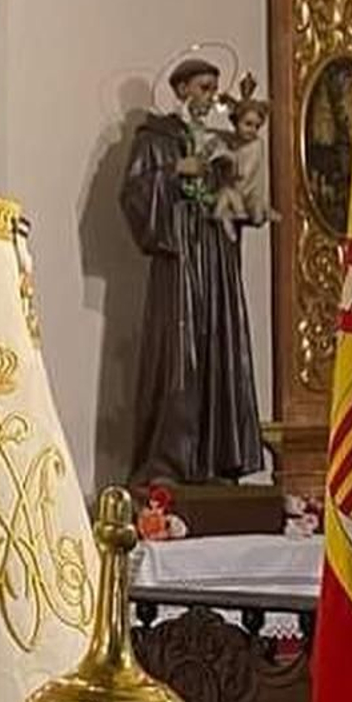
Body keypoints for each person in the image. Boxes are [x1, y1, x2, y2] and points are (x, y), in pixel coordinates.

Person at [120, 59, 265, 486]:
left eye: (214, 90)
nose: (209, 98)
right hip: (180, 255)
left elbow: (236, 196)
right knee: (180, 354)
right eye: (203, 88)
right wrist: (173, 173)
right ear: (182, 89)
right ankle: (169, 462)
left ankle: (215, 460)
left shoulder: (220, 142)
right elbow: (133, 191)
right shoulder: (155, 137)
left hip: (216, 256)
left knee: (218, 345)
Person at [213, 92, 272, 241]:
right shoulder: (233, 142)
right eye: (248, 124)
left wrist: (231, 160)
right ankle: (227, 225)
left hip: (249, 195)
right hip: (237, 194)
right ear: (236, 122)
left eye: (257, 126)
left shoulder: (256, 145)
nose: (252, 130)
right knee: (222, 204)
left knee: (228, 197)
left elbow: (243, 173)